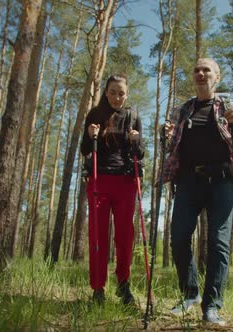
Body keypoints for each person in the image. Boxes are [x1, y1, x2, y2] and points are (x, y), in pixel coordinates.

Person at [161, 58, 233, 325]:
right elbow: (171, 147)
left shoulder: (227, 106)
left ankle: (211, 306)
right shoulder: (182, 110)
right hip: (188, 181)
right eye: (197, 70)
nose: (201, 74)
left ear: (217, 77)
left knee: (218, 244)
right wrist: (165, 135)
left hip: (222, 180)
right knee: (179, 238)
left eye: (207, 71)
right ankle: (190, 294)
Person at [80, 74, 144, 305]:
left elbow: (140, 154)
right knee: (97, 235)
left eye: (121, 93)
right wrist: (91, 136)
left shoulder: (132, 116)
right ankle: (98, 288)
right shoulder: (95, 115)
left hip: (125, 180)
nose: (117, 97)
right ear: (106, 92)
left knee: (125, 236)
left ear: (126, 95)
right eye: (113, 92)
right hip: (99, 178)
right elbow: (85, 149)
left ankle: (123, 285)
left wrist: (136, 141)